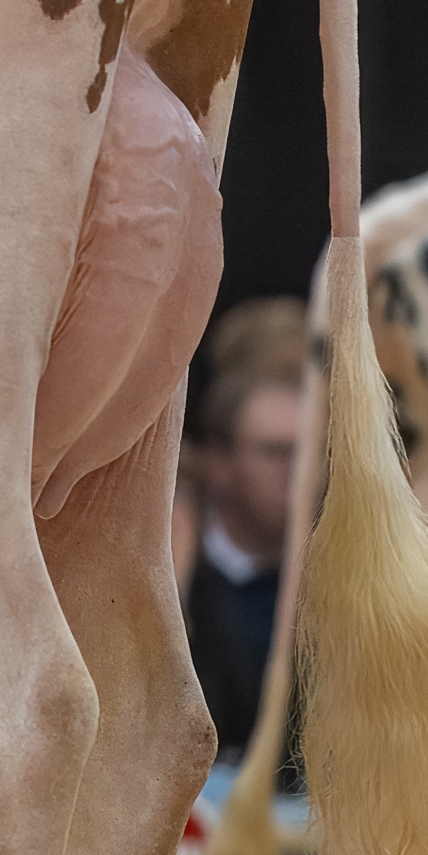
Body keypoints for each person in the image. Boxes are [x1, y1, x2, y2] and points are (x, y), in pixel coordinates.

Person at [181, 299, 308, 762]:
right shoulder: (175, 577)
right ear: (218, 462)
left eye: (311, 453)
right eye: (275, 453)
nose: (299, 475)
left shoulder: (341, 582)